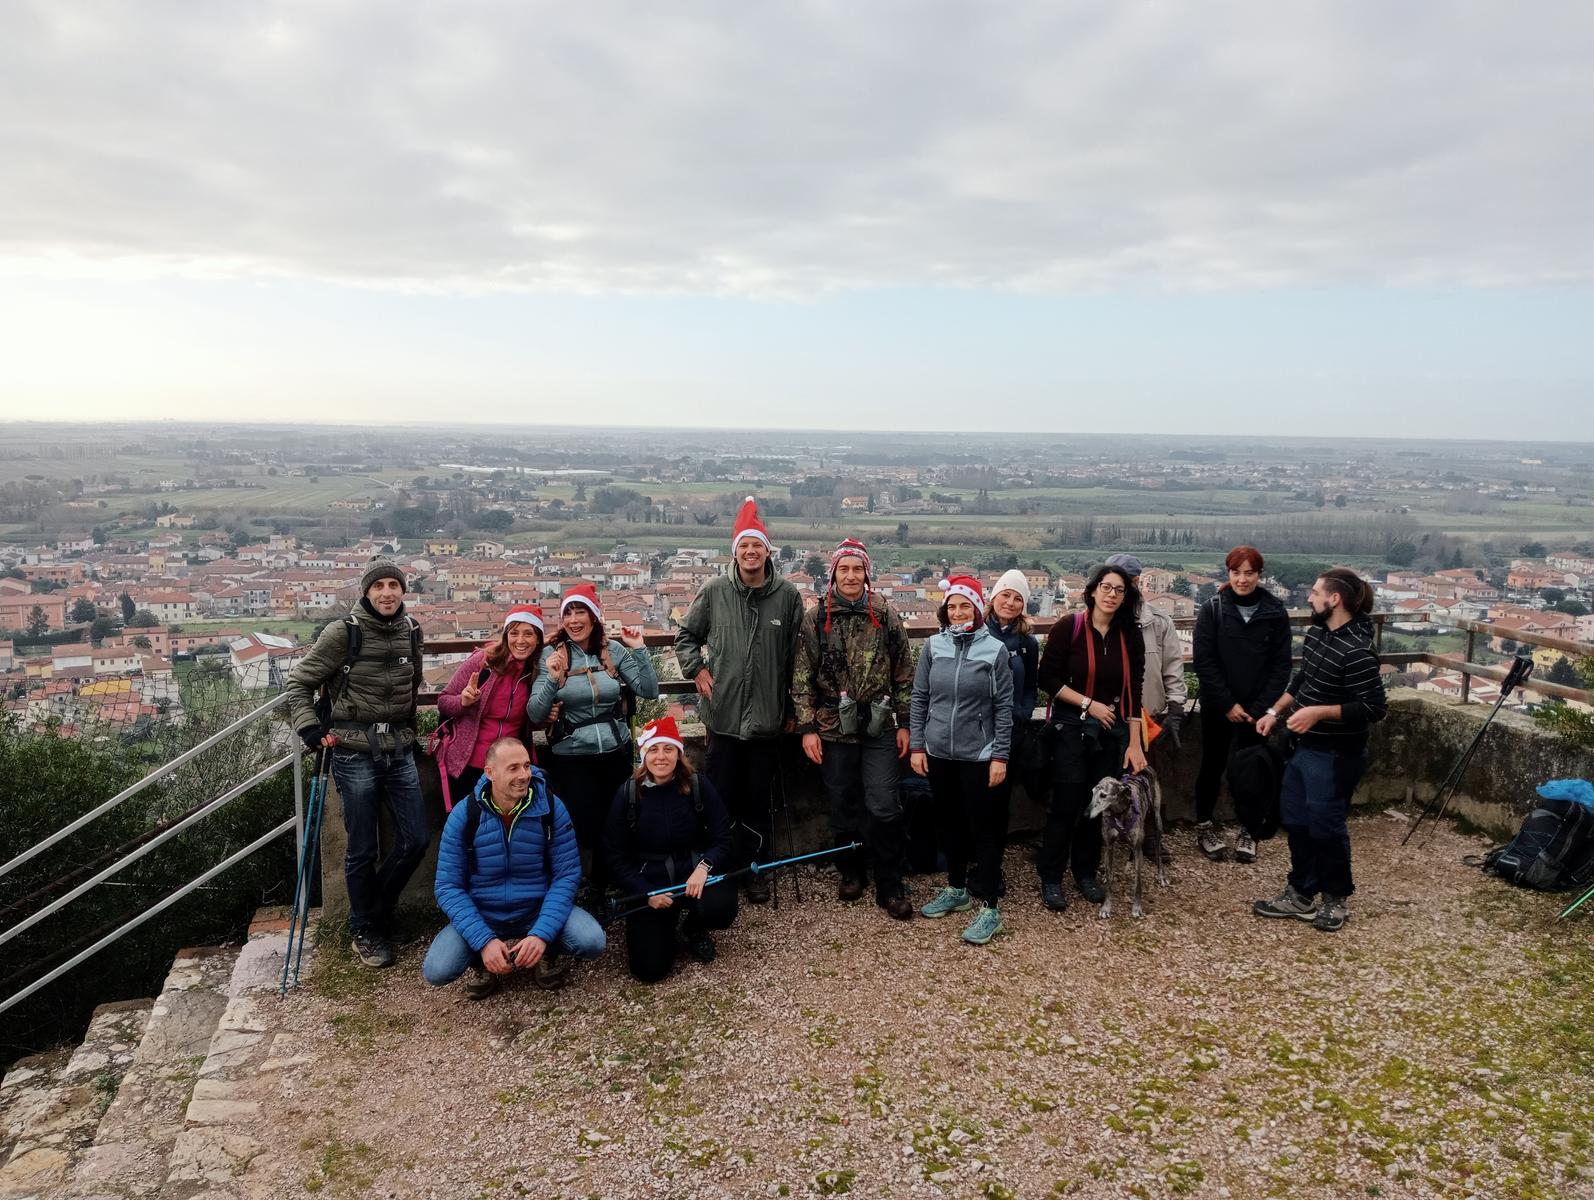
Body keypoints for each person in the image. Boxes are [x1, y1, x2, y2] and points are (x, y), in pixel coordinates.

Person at [285, 559, 428, 969]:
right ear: (366, 592)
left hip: (400, 748)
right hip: (352, 751)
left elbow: (412, 686)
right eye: (379, 586)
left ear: (403, 591)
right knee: (362, 849)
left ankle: (372, 914)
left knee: (416, 839)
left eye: (394, 586)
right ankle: (365, 928)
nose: (387, 593)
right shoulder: (341, 632)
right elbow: (299, 682)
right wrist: (310, 729)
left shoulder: (412, 631)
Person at [673, 497, 804, 903]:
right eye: (744, 546)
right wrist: (696, 669)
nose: (751, 552)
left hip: (768, 718)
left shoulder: (787, 596)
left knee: (757, 801)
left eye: (757, 546)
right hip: (724, 717)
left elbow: (798, 657)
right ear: (736, 552)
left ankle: (754, 868)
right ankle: (719, 868)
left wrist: (793, 708)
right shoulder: (713, 591)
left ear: (767, 550)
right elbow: (685, 636)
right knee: (719, 796)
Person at [1253, 567, 1387, 932]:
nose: (1309, 598)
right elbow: (1303, 679)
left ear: (1335, 599)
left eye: (1315, 592)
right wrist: (1274, 712)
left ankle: (1335, 897)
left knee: (1326, 826)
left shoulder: (1358, 650)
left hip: (1336, 754)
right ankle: (1300, 892)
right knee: (1295, 820)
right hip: (1301, 747)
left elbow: (1374, 707)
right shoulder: (1317, 635)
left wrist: (1317, 713)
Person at [424, 737, 605, 998]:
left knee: (593, 941)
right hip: (484, 913)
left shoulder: (551, 808)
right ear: (490, 773)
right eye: (513, 768)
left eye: (527, 766)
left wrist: (542, 934)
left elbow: (566, 875)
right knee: (437, 970)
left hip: (536, 908)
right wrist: (482, 941)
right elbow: (447, 886)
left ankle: (547, 954)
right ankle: (482, 962)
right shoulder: (464, 815)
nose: (524, 775)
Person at [792, 537, 915, 918]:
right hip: (832, 727)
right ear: (834, 574)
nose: (850, 576)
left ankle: (890, 882)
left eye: (857, 569)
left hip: (878, 727)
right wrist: (807, 727)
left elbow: (903, 671)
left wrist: (906, 723)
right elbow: (800, 676)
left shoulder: (884, 613)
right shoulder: (815, 619)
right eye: (843, 569)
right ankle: (851, 871)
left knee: (883, 803)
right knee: (842, 803)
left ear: (866, 573)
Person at [526, 584, 658, 899]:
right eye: (568, 613)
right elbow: (535, 712)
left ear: (594, 616)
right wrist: (553, 680)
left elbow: (649, 689)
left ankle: (599, 886)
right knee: (585, 827)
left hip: (616, 749)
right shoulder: (551, 655)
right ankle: (592, 882)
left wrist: (639, 650)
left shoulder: (612, 651)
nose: (573, 620)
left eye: (580, 611)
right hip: (572, 755)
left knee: (618, 821)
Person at [1035, 562, 1148, 912]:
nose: (1112, 594)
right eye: (1106, 587)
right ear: (1093, 590)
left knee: (1097, 804)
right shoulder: (1069, 627)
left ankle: (1085, 872)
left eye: (1119, 590)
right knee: (1067, 802)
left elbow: (1134, 691)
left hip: (1110, 733)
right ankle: (1051, 875)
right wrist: (1090, 704)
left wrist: (1134, 742)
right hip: (1071, 727)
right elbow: (1048, 680)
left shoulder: (1129, 635)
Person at [910, 576, 1016, 946]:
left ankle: (990, 907)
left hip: (979, 754)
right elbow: (920, 698)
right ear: (944, 610)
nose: (957, 612)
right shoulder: (933, 646)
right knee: (949, 824)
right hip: (939, 753)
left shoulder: (994, 651)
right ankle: (956, 889)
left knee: (983, 829)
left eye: (965, 606)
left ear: (977, 609)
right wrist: (918, 746)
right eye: (952, 606)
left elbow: (1003, 706)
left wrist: (999, 754)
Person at [605, 717, 738, 982]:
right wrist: (645, 893)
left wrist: (705, 866)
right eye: (653, 750)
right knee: (648, 970)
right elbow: (614, 856)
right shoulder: (628, 794)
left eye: (668, 749)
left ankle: (693, 927)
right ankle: (664, 927)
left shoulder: (698, 786)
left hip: (692, 874)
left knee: (721, 907)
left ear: (679, 753)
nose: (661, 757)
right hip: (650, 881)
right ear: (644, 756)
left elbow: (724, 836)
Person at [1191, 546, 1292, 863]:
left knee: (1255, 770)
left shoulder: (1275, 612)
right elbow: (1204, 662)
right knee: (1212, 764)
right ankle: (1205, 824)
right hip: (1219, 707)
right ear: (1228, 573)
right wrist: (1227, 703)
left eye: (1249, 573)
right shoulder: (1213, 609)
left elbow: (1281, 666)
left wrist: (1261, 707)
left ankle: (1250, 829)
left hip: (1257, 712)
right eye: (1236, 572)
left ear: (1260, 574)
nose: (1243, 579)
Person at [436, 605, 546, 804]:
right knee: (470, 826)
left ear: (538, 639)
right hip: (469, 764)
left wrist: (547, 715)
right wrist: (464, 701)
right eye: (514, 633)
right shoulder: (483, 662)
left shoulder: (537, 672)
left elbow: (530, 721)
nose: (520, 641)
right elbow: (443, 701)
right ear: (505, 636)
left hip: (512, 769)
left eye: (528, 634)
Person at [1103, 552, 1187, 759]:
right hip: (1104, 719)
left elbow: (1172, 666)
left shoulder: (1159, 622)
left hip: (1147, 718)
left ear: (1135, 582)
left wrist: (1175, 708)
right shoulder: (1097, 620)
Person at [986, 568, 1042, 802]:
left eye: (1018, 598)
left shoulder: (1027, 643)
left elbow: (1030, 686)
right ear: (994, 597)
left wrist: (1023, 713)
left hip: (1011, 731)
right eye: (1005, 595)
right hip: (977, 729)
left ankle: (997, 840)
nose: (1010, 602)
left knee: (1001, 797)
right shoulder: (977, 634)